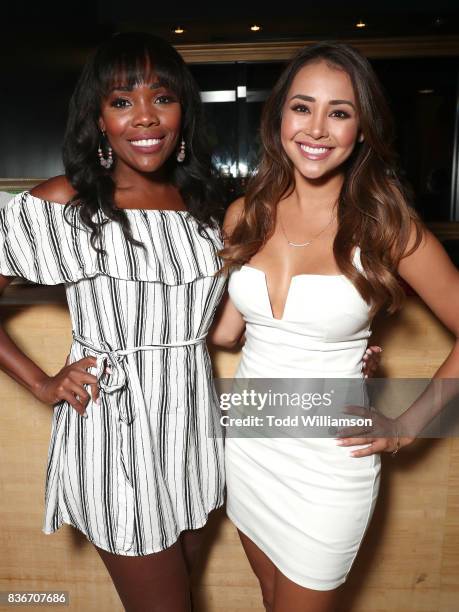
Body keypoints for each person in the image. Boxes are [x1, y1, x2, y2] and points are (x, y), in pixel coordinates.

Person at [208, 42, 459, 611]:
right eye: (302, 108)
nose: (317, 128)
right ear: (279, 120)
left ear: (363, 128)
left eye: (340, 112)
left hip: (327, 463)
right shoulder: (245, 212)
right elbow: (225, 332)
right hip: (249, 445)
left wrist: (404, 426)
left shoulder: (386, 226)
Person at [0, 32, 227, 612]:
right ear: (98, 119)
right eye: (122, 101)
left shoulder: (205, 207)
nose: (145, 117)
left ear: (184, 112)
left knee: (187, 594)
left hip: (192, 433)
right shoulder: (68, 206)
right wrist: (43, 383)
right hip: (115, 436)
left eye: (162, 97)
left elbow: (229, 320)